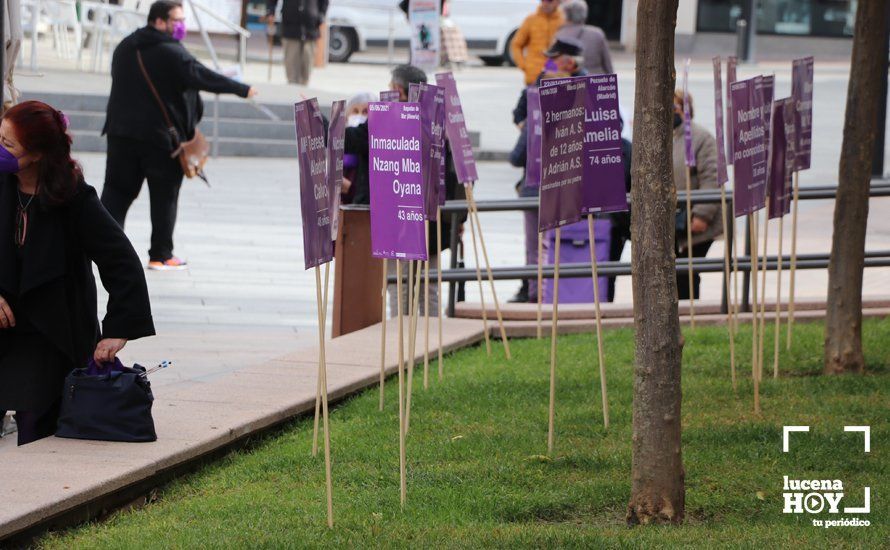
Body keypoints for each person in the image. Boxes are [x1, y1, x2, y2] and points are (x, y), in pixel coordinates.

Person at [0, 101, 155, 446]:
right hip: (5, 324)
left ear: (38, 153)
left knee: (35, 428)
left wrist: (119, 328)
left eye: (8, 145)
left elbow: (121, 260)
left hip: (52, 334)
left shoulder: (73, 198)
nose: (0, 150)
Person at [102, 1, 257, 271]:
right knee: (164, 198)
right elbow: (203, 77)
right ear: (159, 21)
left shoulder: (126, 46)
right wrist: (242, 88)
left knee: (116, 194)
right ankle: (161, 254)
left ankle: (102, 248)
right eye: (177, 20)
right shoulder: (172, 52)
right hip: (161, 141)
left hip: (121, 135)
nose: (182, 26)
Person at [344, 64, 466, 316]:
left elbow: (353, 139)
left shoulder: (388, 121)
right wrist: (459, 216)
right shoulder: (440, 115)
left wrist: (325, 125)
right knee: (427, 285)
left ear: (398, 90)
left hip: (398, 214)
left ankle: (402, 341)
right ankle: (429, 339)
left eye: (390, 87)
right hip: (433, 218)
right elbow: (459, 169)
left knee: (399, 284)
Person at [673, 89, 721, 300]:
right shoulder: (656, 137)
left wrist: (701, 214)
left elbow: (712, 178)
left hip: (693, 223)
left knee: (686, 273)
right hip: (670, 222)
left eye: (674, 107)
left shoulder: (701, 139)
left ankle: (689, 316)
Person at [512, 37, 587, 128]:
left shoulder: (586, 84)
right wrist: (523, 125)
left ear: (570, 63)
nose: (547, 63)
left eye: (553, 59)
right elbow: (520, 110)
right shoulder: (544, 77)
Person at [264, 0, 328, 85]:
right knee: (292, 73)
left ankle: (303, 93)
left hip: (310, 27)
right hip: (290, 27)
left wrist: (321, 16)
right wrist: (270, 11)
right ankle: (293, 93)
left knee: (306, 71)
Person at [510, 0, 565, 86]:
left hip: (557, 78)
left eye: (549, 1)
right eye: (542, 0)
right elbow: (516, 44)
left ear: (557, 2)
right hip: (533, 76)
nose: (545, 3)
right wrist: (524, 65)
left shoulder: (563, 21)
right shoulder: (530, 19)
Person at [555, 0, 613, 76]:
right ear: (584, 14)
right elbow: (608, 65)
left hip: (570, 84)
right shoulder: (597, 34)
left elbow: (552, 68)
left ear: (565, 15)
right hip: (597, 82)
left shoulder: (559, 35)